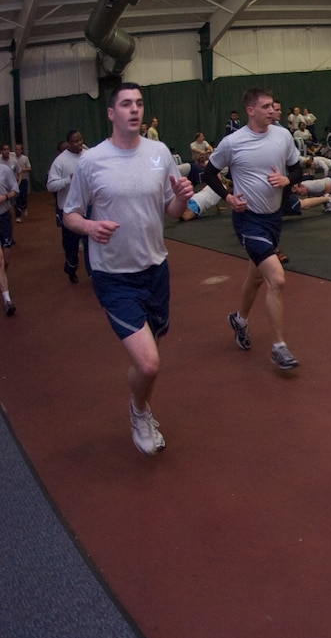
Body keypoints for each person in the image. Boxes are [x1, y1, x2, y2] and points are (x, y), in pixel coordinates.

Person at [61, 82, 194, 453]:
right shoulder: (91, 161)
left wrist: (182, 200)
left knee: (150, 354)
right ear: (111, 113)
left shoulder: (159, 152)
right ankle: (139, 411)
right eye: (125, 104)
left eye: (138, 103)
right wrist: (89, 227)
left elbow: (170, 212)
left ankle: (140, 401)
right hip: (112, 276)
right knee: (149, 363)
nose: (134, 110)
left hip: (155, 269)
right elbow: (69, 213)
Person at [203, 87, 303, 371]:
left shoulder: (283, 135)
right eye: (267, 107)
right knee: (277, 279)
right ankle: (279, 347)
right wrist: (228, 197)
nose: (274, 110)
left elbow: (296, 170)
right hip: (248, 220)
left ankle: (239, 319)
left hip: (274, 219)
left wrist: (286, 180)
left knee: (256, 277)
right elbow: (209, 173)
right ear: (251, 110)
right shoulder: (233, 143)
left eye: (273, 106)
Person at [46, 131, 87, 282]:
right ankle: (71, 268)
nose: (79, 143)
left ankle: (94, 272)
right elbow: (50, 185)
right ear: (68, 143)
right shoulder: (60, 161)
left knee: (91, 241)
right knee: (71, 244)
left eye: (80, 140)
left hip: (87, 206)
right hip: (69, 210)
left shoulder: (88, 154)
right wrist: (68, 180)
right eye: (75, 141)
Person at [0, 160, 16, 315]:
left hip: (3, 216)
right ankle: (7, 300)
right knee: (0, 260)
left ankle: (2, 278)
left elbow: (15, 190)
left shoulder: (4, 170)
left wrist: (4, 197)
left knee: (6, 258)